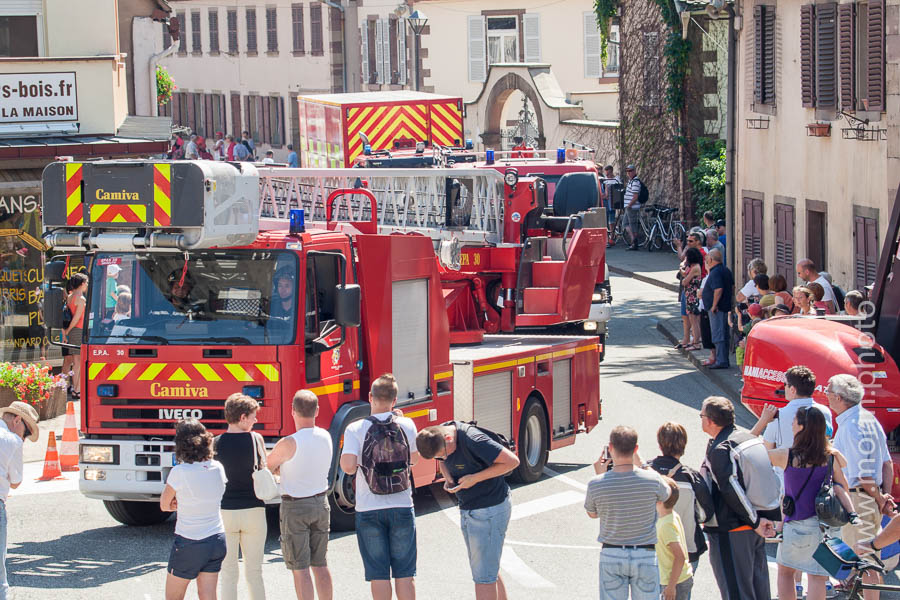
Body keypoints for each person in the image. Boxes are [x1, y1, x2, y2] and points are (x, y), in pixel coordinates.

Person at [416, 421, 520, 600]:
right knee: (487, 571)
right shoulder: (440, 435)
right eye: (438, 458)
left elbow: (512, 461)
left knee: (483, 579)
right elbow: (443, 462)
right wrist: (449, 479)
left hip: (489, 509)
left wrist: (475, 479)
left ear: (448, 438)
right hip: (471, 508)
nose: (443, 459)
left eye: (443, 455)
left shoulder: (473, 439)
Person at [340, 374, 419, 600]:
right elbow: (414, 460)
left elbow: (347, 468)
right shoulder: (407, 424)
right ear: (394, 400)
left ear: (370, 397)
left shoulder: (355, 428)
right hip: (403, 505)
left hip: (368, 509)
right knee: (405, 574)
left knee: (379, 575)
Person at [767, 407, 856, 600]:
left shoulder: (787, 455)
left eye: (794, 421)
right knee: (817, 577)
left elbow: (755, 457)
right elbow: (843, 486)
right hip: (826, 526)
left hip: (797, 524)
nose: (791, 425)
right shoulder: (830, 456)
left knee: (785, 572)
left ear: (801, 427)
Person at [826, 374, 898, 598]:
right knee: (867, 557)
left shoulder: (851, 427)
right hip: (869, 497)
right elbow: (886, 463)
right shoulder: (868, 419)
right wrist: (884, 495)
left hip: (859, 498)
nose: (826, 393)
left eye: (828, 390)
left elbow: (864, 477)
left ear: (839, 397)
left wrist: (880, 499)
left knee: (866, 560)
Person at [700, 397, 777, 600]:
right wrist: (760, 519)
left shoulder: (720, 449)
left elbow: (731, 490)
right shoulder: (746, 438)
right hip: (756, 527)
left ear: (710, 420)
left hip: (732, 530)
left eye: (702, 415)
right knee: (759, 589)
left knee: (736, 591)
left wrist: (755, 520)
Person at [584, 425, 670, 600]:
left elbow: (593, 514)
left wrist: (600, 475)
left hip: (612, 552)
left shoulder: (596, 483)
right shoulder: (652, 480)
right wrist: (644, 465)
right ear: (635, 449)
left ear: (610, 448)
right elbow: (667, 492)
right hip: (645, 553)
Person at [267, 390, 334, 600]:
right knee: (320, 564)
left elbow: (267, 466)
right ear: (317, 411)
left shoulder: (288, 443)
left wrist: (280, 469)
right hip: (321, 503)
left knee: (300, 568)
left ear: (292, 411)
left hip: (295, 507)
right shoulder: (326, 436)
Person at [161, 419, 228, 600]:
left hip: (190, 540)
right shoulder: (218, 468)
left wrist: (178, 502)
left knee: (174, 596)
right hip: (217, 539)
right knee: (208, 595)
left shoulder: (180, 472)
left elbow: (164, 505)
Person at [214, 394, 267, 600]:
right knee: (254, 572)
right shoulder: (255, 440)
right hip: (254, 510)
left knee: (228, 573)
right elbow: (265, 467)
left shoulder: (215, 443)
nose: (255, 420)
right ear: (243, 417)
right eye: (253, 416)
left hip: (225, 511)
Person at [646, 422, 713, 573]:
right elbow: (705, 514)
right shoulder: (691, 477)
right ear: (683, 445)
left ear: (660, 444)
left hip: (650, 547)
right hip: (687, 547)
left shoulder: (645, 472)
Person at [0, 402, 38, 599]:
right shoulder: (12, 441)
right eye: (26, 433)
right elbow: (15, 482)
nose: (24, 439)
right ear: (17, 420)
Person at [750, 365, 833, 450]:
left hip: (786, 462)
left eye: (785, 384)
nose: (783, 387)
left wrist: (763, 420)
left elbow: (767, 450)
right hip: (818, 462)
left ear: (792, 389)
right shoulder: (825, 412)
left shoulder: (779, 416)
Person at [655, 477, 693, 600]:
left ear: (660, 500)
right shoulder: (670, 515)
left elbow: (680, 556)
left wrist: (671, 587)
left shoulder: (667, 525)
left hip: (675, 582)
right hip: (676, 579)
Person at [701, 250, 733, 369]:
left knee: (718, 335)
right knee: (722, 334)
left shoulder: (716, 272)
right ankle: (723, 359)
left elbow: (718, 289)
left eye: (707, 258)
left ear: (711, 259)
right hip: (724, 307)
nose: (706, 260)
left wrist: (714, 305)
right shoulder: (725, 270)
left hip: (718, 309)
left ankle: (721, 360)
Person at [62, 272, 88, 399]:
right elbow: (77, 318)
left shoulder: (70, 297)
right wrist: (68, 330)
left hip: (73, 332)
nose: (87, 285)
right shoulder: (81, 299)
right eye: (86, 282)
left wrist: (67, 332)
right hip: (78, 330)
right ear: (82, 284)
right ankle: (77, 390)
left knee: (74, 361)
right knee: (78, 362)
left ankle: (74, 388)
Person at [676, 247, 703, 351]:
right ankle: (694, 340)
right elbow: (683, 273)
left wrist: (683, 269)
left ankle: (696, 342)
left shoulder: (696, 267)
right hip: (689, 295)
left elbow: (685, 281)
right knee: (692, 319)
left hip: (692, 296)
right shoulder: (692, 266)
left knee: (694, 320)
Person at [623, 165, 646, 251]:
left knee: (632, 225)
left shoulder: (635, 182)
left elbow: (635, 196)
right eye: (628, 171)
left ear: (635, 171)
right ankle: (634, 240)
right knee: (625, 224)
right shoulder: (631, 181)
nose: (629, 173)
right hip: (629, 207)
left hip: (632, 207)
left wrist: (629, 205)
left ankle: (634, 243)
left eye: (631, 171)